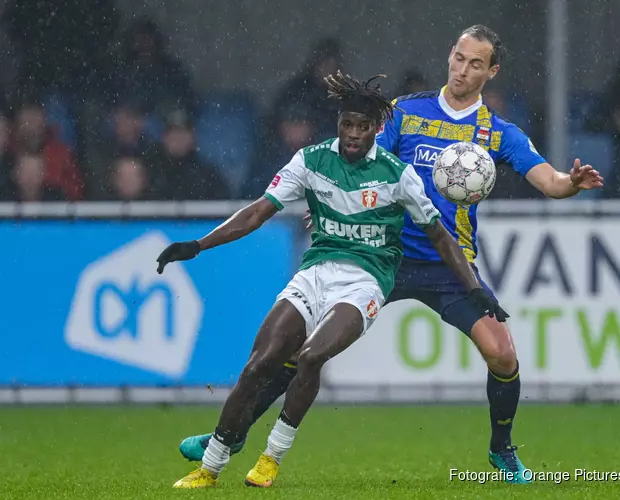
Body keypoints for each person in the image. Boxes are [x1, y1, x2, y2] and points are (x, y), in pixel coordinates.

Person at [178, 25, 604, 486]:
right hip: (381, 253)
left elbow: (549, 181)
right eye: (459, 58)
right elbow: (361, 165)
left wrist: (571, 184)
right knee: (301, 351)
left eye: (476, 63)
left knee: (502, 353)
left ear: (492, 71)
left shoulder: (498, 133)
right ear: (450, 55)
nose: (463, 70)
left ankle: (502, 450)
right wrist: (331, 203)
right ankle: (232, 435)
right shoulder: (406, 111)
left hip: (448, 261)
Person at [163, 72, 507, 489]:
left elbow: (439, 235)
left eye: (363, 127)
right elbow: (258, 211)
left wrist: (473, 288)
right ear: (339, 124)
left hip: (366, 281)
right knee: (259, 365)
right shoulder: (310, 161)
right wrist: (198, 245)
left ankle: (271, 458)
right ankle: (210, 468)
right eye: (348, 125)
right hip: (315, 273)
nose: (354, 134)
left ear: (377, 130)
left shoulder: (398, 175)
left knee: (310, 357)